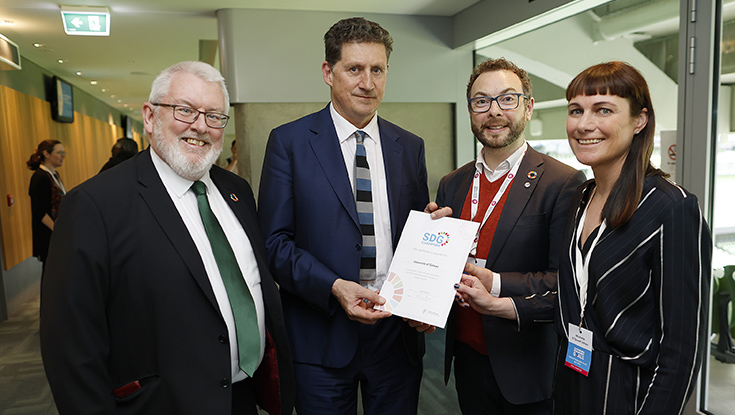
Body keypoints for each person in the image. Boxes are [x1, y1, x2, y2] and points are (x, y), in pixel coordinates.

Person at [40, 61, 294, 415]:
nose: (200, 126)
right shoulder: (94, 205)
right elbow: (69, 346)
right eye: (185, 110)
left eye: (214, 116)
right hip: (158, 404)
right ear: (149, 116)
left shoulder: (237, 191)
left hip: (239, 398)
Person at [258, 17, 430, 415]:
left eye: (377, 70)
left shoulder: (410, 146)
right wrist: (335, 286)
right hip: (320, 333)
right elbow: (274, 244)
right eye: (354, 69)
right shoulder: (290, 143)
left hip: (395, 334)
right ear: (328, 72)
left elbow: (413, 235)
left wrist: (433, 234)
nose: (367, 83)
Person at [554, 61, 711, 413]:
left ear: (640, 120)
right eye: (576, 110)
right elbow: (577, 294)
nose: (583, 124)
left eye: (603, 110)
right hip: (572, 379)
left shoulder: (672, 208)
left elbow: (681, 351)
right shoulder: (581, 197)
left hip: (631, 395)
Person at [432, 57, 585, 414]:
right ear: (471, 111)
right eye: (481, 101)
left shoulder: (563, 183)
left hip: (525, 365)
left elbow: (564, 283)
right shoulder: (452, 183)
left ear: (528, 107)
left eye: (507, 99)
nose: (494, 111)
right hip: (466, 356)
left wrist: (496, 283)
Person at [26, 139, 67, 267]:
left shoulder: (54, 174)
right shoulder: (40, 177)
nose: (63, 155)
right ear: (46, 154)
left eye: (64, 152)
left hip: (57, 232)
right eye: (59, 152)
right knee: (50, 271)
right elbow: (39, 212)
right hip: (48, 235)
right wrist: (57, 230)